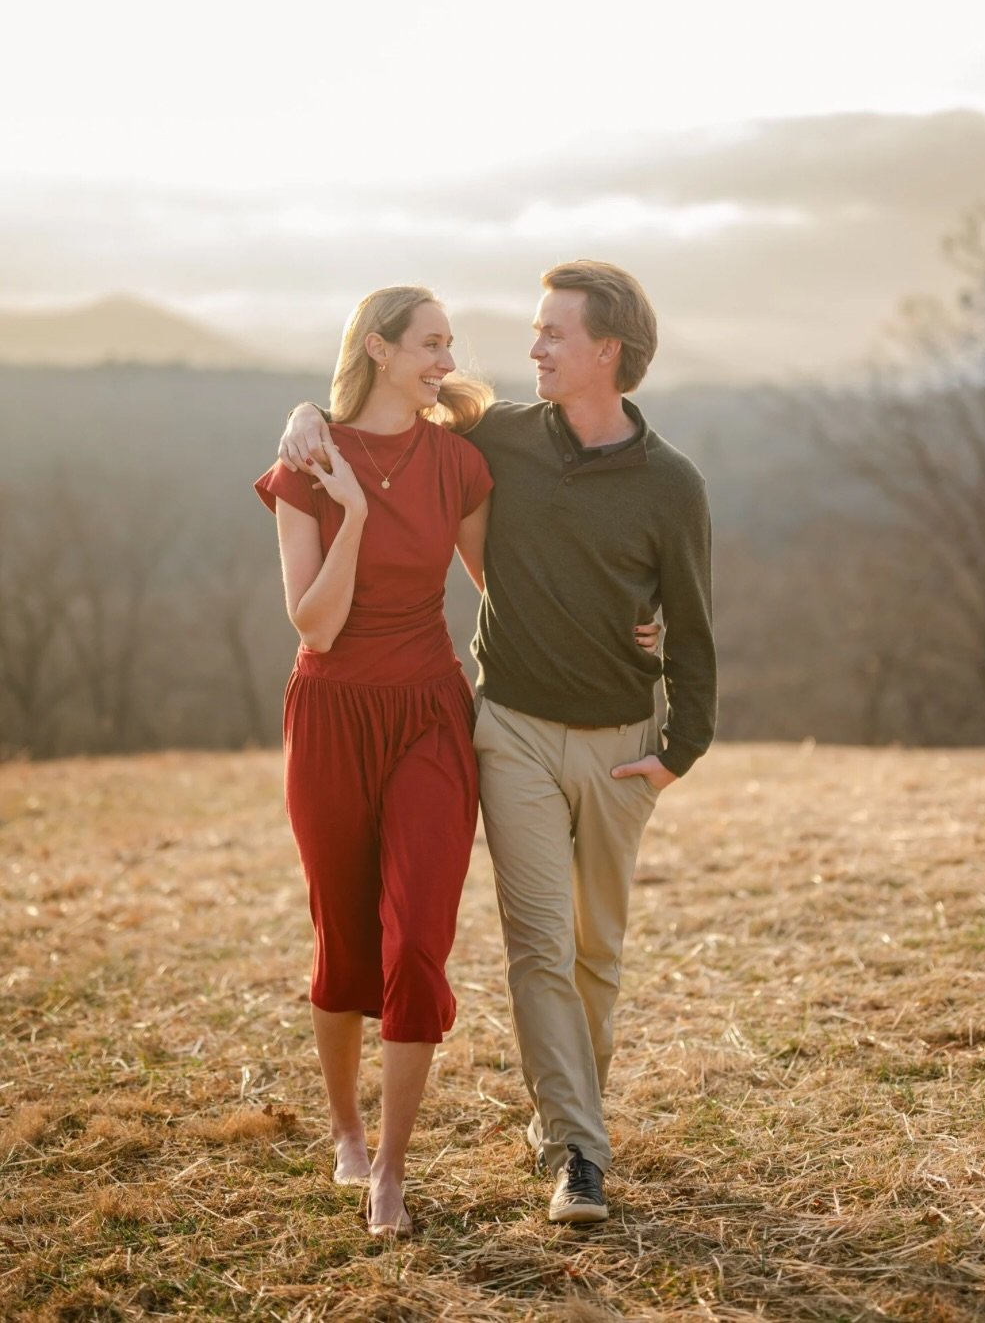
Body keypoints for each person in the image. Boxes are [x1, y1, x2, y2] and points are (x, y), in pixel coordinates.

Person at [280, 260, 717, 1225]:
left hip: (535, 728)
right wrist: (306, 422)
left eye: (552, 333)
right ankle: (564, 1148)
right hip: (466, 721)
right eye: (532, 331)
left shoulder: (620, 476)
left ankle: (550, 1125)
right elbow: (375, 421)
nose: (526, 350)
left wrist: (664, 706)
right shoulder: (462, 442)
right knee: (515, 947)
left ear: (606, 349)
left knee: (572, 950)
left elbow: (651, 613)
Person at [254, 286, 495, 1237]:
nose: (445, 357)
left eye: (449, 345)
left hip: (431, 714)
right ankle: (346, 1132)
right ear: (382, 349)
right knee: (345, 937)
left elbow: (501, 587)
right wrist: (351, 513)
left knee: (417, 938)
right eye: (431, 342)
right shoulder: (306, 462)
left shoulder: (460, 462)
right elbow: (313, 622)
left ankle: (391, 1170)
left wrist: (625, 627)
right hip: (332, 714)